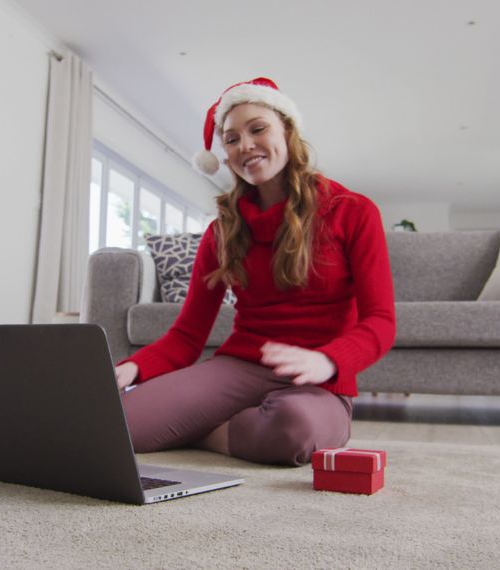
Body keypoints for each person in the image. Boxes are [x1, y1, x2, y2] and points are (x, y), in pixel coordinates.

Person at [113, 77, 396, 466]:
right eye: (231, 139)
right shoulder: (222, 231)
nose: (245, 145)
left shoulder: (354, 211)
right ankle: (232, 427)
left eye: (258, 129)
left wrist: (328, 359)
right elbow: (187, 335)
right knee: (122, 424)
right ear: (224, 155)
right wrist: (134, 367)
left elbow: (381, 321)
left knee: (294, 430)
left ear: (288, 131)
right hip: (239, 368)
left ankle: (209, 432)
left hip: (317, 379)